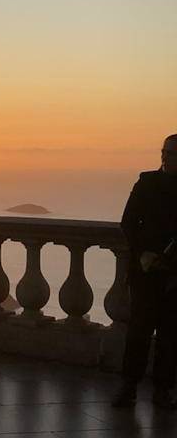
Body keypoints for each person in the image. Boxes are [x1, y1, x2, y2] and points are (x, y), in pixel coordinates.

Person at [113, 134, 177, 408]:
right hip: (146, 270)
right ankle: (129, 386)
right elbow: (128, 222)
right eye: (166, 152)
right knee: (139, 331)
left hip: (174, 273)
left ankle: (163, 390)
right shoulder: (146, 182)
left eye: (173, 154)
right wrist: (144, 253)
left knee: (170, 335)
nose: (167, 157)